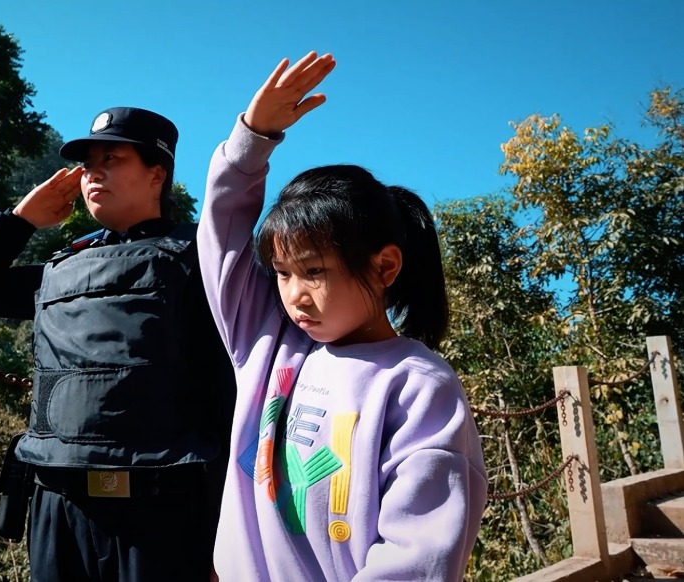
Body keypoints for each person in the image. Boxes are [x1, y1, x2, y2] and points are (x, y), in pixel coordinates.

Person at [197, 51, 488, 581]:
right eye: (282, 274)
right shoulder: (266, 347)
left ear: (385, 266)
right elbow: (222, 236)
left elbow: (417, 555)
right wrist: (253, 138)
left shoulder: (419, 387)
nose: (295, 295)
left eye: (314, 271)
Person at [0, 106, 236, 582]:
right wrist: (21, 220)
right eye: (87, 165)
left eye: (112, 158)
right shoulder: (63, 265)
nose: (93, 174)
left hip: (163, 509)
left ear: (157, 173)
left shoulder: (201, 259)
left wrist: (227, 528)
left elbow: (228, 394)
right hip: (56, 501)